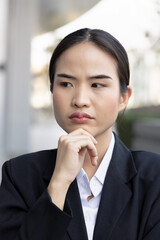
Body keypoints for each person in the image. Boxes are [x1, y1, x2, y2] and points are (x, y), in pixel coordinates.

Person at [0, 28, 160, 240]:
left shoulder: (155, 176)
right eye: (66, 83)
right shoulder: (19, 175)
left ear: (124, 97)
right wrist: (58, 184)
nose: (80, 99)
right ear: (52, 91)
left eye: (97, 84)